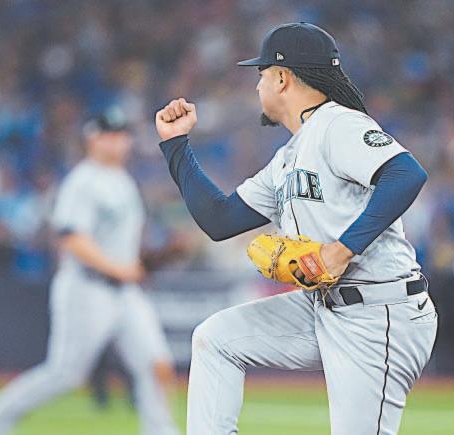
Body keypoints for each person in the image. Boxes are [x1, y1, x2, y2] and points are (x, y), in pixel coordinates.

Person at [155, 23, 437, 435]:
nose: (258, 86)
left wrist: (340, 250)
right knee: (216, 338)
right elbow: (220, 219)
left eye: (262, 74)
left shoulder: (338, 124)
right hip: (325, 307)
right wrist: (176, 145)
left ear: (283, 78)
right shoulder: (288, 156)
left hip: (380, 311)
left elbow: (406, 174)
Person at [0, 107, 179, 435]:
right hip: (86, 287)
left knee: (156, 364)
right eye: (110, 135)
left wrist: (146, 261)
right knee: (65, 373)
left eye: (122, 135)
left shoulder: (123, 181)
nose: (118, 141)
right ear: (92, 139)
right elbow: (71, 238)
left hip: (125, 292)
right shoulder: (83, 181)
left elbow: (121, 243)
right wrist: (121, 269)